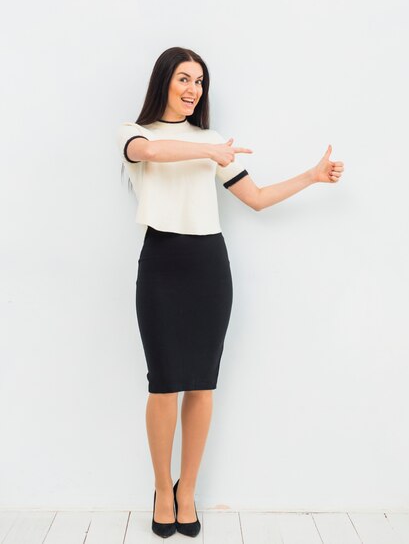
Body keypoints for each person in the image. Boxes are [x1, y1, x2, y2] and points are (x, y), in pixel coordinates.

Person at [116, 46, 344, 538]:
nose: (193, 89)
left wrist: (310, 176)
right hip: (161, 263)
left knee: (201, 383)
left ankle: (187, 490)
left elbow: (257, 199)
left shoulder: (213, 141)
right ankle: (161, 488)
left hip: (208, 267)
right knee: (163, 384)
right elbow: (152, 153)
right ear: (164, 82)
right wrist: (210, 151)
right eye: (183, 78)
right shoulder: (137, 134)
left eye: (200, 81)